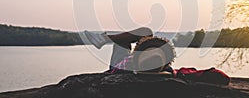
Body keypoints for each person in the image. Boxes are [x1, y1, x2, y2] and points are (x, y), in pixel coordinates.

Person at [84, 27, 230, 85]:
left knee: (145, 32)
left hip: (121, 64)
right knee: (146, 32)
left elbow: (112, 73)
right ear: (166, 63)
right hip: (143, 66)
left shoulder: (123, 70)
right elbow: (221, 77)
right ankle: (103, 38)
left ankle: (104, 38)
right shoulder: (174, 73)